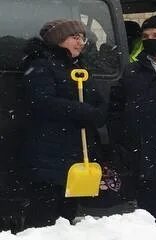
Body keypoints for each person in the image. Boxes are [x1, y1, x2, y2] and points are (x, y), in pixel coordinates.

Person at [20, 19, 107, 228]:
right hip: (50, 152)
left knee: (66, 214)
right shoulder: (41, 65)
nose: (80, 42)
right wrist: (82, 111)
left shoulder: (79, 66)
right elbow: (43, 102)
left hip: (74, 154)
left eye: (82, 38)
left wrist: (99, 112)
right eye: (74, 38)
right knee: (44, 215)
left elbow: (94, 98)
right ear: (58, 40)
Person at [111, 15, 156, 221]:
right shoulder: (133, 71)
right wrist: (122, 143)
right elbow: (116, 110)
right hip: (144, 160)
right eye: (146, 36)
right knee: (149, 219)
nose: (151, 40)